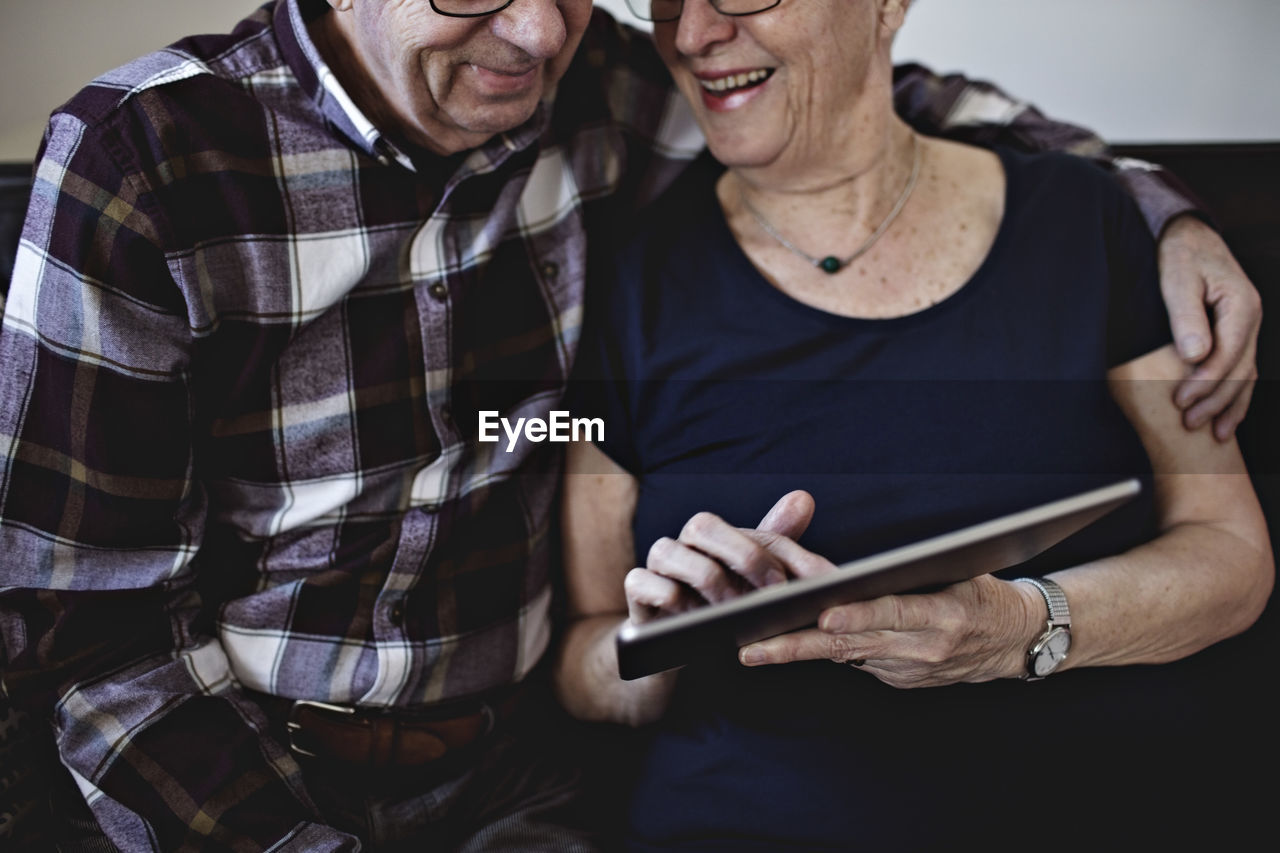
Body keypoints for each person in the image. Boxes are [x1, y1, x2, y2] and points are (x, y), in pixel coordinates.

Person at [0, 0, 1264, 850]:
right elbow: (87, 636)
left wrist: (1159, 209)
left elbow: (866, 94)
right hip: (248, 777)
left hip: (513, 787)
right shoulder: (150, 158)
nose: (542, 28)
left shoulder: (585, 87)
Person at [554, 0, 1274, 849]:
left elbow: (1231, 551)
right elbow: (582, 659)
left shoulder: (1084, 218)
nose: (693, 33)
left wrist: (1023, 628)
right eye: (667, 0)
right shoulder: (631, 281)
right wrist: (666, 642)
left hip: (1094, 808)